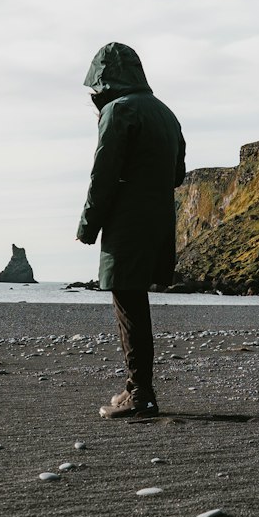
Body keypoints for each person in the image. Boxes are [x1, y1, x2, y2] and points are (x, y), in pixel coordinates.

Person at [76, 42, 186, 418]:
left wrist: (88, 224)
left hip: (128, 224)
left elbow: (102, 174)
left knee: (129, 307)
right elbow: (178, 175)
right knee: (135, 305)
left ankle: (141, 393)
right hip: (159, 222)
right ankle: (136, 390)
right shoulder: (166, 114)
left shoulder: (117, 112)